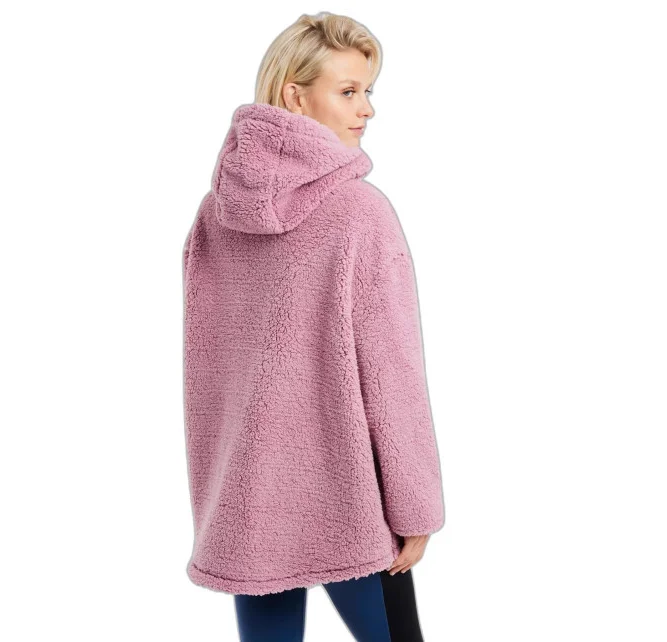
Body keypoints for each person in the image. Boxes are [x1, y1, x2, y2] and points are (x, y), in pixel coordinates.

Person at [182, 12, 445, 641]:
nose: (367, 110)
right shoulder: (360, 213)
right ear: (295, 96)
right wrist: (415, 505)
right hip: (351, 501)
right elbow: (392, 372)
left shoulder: (217, 213)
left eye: (368, 90)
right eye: (349, 91)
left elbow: (205, 372)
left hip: (249, 504)